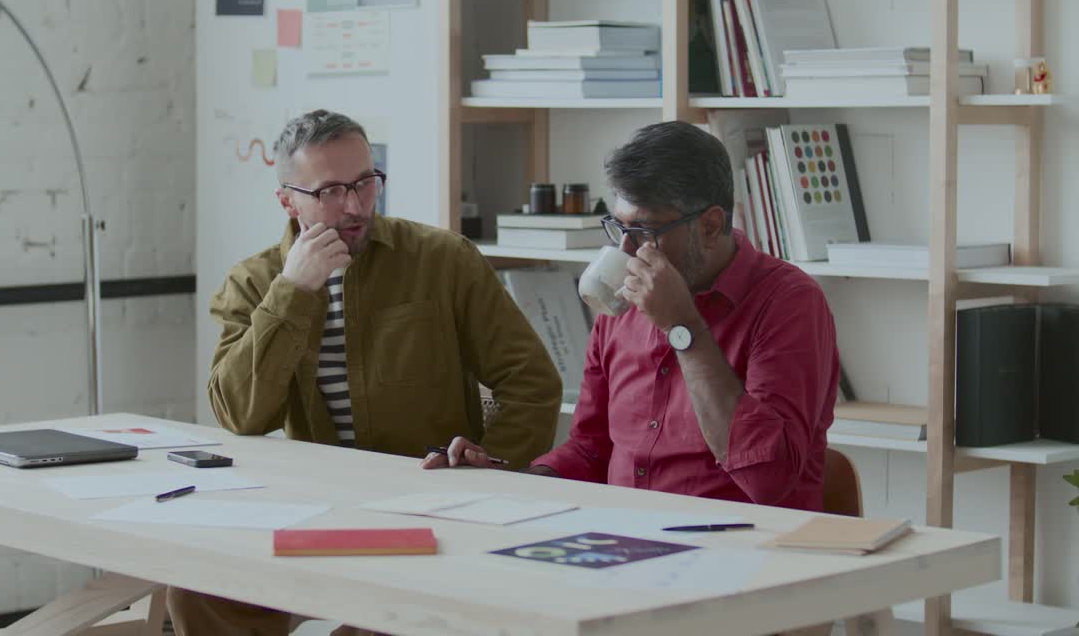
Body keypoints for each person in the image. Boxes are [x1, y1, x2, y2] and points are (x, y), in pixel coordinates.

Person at [168, 109, 562, 636]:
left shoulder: (442, 260)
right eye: (330, 190)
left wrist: (493, 464)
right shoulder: (254, 281)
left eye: (365, 182)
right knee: (199, 588)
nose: (354, 206)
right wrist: (293, 292)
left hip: (429, 511)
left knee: (380, 625)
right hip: (311, 509)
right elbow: (239, 415)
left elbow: (532, 381)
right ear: (288, 200)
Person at [425, 120, 839, 513]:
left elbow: (769, 479)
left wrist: (684, 328)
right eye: (618, 227)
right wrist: (515, 483)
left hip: (745, 552)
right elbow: (591, 446)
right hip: (622, 541)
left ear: (711, 225)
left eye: (645, 231)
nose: (625, 253)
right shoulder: (621, 301)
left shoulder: (789, 303)